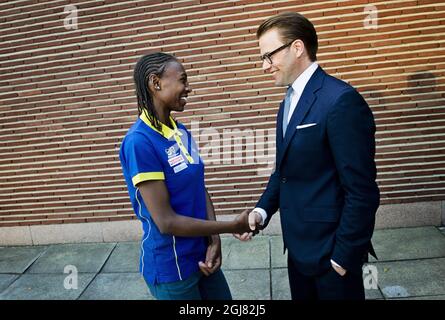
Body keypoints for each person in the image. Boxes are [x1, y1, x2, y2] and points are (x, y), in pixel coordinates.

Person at [235, 12, 380, 300]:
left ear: (297, 47)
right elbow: (284, 172)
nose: (265, 66)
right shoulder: (287, 103)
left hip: (331, 257)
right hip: (298, 250)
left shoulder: (341, 100)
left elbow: (362, 191)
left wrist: (342, 258)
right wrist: (260, 212)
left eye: (269, 56)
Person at [119, 52, 251, 300]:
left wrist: (214, 241)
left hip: (202, 256)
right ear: (155, 83)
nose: (188, 88)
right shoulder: (139, 142)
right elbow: (166, 222)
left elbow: (199, 188)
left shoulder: (180, 130)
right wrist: (231, 226)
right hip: (172, 268)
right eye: (182, 80)